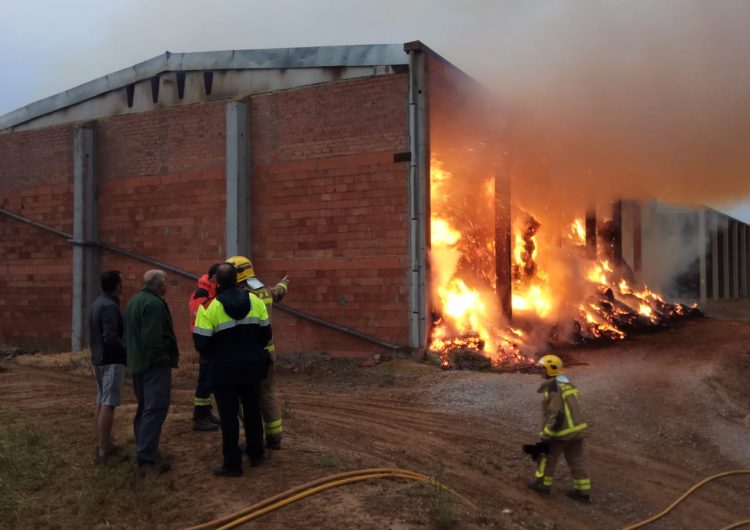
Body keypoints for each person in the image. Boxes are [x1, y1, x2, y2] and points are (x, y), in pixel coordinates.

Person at [193, 263, 272, 477]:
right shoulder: (255, 301)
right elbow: (266, 335)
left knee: (228, 418)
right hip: (252, 368)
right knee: (253, 411)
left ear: (216, 282)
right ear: (238, 280)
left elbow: (201, 343)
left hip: (223, 371)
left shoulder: (209, 308)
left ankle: (232, 464)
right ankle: (256, 454)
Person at [225, 255, 288, 449]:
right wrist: (284, 283)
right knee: (267, 393)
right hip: (268, 353)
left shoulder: (239, 298)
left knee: (248, 398)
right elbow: (278, 292)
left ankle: (255, 438)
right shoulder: (264, 292)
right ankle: (275, 437)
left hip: (249, 356)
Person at [124, 270, 179, 474]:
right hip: (153, 366)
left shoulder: (135, 301)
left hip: (137, 363)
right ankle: (146, 459)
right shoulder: (154, 304)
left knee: (145, 407)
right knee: (155, 409)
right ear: (158, 285)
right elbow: (152, 338)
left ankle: (144, 448)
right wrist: (163, 358)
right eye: (165, 283)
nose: (166, 286)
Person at [527, 354, 592, 502]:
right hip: (577, 430)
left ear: (550, 369)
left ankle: (543, 485)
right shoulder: (567, 383)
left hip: (561, 432)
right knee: (576, 461)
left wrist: (547, 435)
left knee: (547, 459)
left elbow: (556, 414)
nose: (541, 371)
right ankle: (583, 491)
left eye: (543, 368)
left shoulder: (553, 387)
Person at [89, 270, 127, 462]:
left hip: (98, 358)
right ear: (117, 286)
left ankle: (101, 443)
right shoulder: (110, 306)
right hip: (111, 360)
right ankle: (104, 451)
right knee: (109, 404)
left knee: (101, 401)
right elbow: (110, 337)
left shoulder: (97, 303)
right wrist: (127, 350)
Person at [189, 263, 222, 432]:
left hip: (210, 337)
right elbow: (200, 315)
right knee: (205, 377)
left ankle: (206, 412)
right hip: (203, 338)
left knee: (210, 376)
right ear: (214, 277)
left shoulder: (212, 291)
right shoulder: (202, 292)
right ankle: (200, 416)